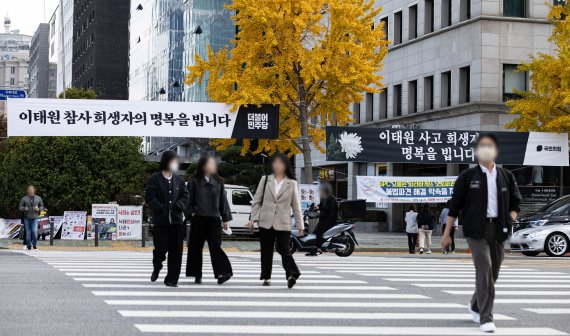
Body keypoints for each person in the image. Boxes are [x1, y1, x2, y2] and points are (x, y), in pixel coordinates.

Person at [442, 133, 521, 333]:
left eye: (489, 145)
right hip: (475, 230)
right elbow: (454, 207)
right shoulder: (467, 177)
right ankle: (486, 317)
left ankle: (475, 304)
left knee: (493, 273)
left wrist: (510, 218)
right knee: (484, 268)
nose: (486, 149)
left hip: (500, 229)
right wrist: (446, 234)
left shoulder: (506, 176)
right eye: (482, 146)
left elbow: (516, 203)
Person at [248, 153, 304, 288]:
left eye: (280, 163)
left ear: (285, 166)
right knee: (266, 250)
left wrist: (300, 225)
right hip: (265, 221)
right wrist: (253, 219)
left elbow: (296, 205)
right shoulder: (265, 179)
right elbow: (257, 200)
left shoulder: (292, 183)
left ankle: (291, 274)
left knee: (284, 249)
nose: (277, 165)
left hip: (283, 222)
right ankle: (266, 277)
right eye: (275, 163)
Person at [185, 154, 233, 285]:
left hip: (214, 221)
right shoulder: (193, 181)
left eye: (213, 164)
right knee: (195, 247)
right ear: (203, 166)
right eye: (210, 164)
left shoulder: (218, 182)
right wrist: (192, 213)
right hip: (198, 219)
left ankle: (222, 273)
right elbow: (187, 200)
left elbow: (223, 201)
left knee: (215, 247)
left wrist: (225, 219)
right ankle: (197, 274)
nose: (213, 166)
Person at [145, 150, 189, 287]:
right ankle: (157, 266)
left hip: (176, 221)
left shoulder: (179, 180)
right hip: (161, 221)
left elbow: (185, 196)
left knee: (176, 251)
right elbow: (150, 197)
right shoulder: (154, 178)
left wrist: (179, 206)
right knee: (160, 249)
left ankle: (171, 279)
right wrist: (160, 208)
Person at [306, 182, 338, 256]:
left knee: (319, 232)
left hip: (329, 219)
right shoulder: (324, 198)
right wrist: (316, 207)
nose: (320, 192)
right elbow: (321, 205)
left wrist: (319, 207)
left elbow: (329, 208)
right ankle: (315, 248)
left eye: (321, 190)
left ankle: (319, 249)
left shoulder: (331, 198)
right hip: (324, 218)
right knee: (315, 232)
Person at [18, 185, 44, 250]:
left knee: (34, 232)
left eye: (32, 189)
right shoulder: (24, 198)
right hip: (27, 218)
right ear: (27, 191)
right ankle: (28, 246)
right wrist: (24, 208)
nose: (31, 190)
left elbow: (42, 207)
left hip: (35, 218)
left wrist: (39, 209)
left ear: (34, 190)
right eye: (29, 189)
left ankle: (34, 245)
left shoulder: (38, 198)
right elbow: (20, 207)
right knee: (28, 233)